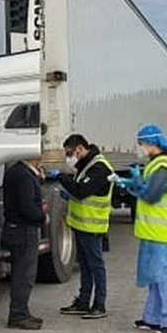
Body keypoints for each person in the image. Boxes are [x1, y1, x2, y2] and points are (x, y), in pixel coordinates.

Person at [117, 124, 167, 333]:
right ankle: (153, 318)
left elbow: (151, 195)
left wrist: (135, 184)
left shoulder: (164, 167)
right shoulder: (156, 164)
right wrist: (134, 183)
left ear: (152, 143)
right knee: (155, 278)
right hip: (154, 231)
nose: (141, 148)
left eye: (142, 143)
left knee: (166, 278)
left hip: (164, 231)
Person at [50, 134, 113, 320]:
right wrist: (68, 195)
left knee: (96, 266)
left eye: (70, 153)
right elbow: (80, 192)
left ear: (79, 148)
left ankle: (99, 304)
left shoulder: (99, 168)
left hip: (92, 226)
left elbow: (81, 191)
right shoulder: (85, 166)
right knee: (85, 266)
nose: (69, 157)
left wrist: (61, 177)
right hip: (81, 224)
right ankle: (84, 301)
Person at [1, 153, 46, 330]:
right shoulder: (24, 176)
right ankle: (18, 315)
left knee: (21, 273)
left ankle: (22, 312)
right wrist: (42, 216)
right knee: (24, 275)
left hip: (15, 229)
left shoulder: (16, 171)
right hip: (23, 230)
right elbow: (27, 207)